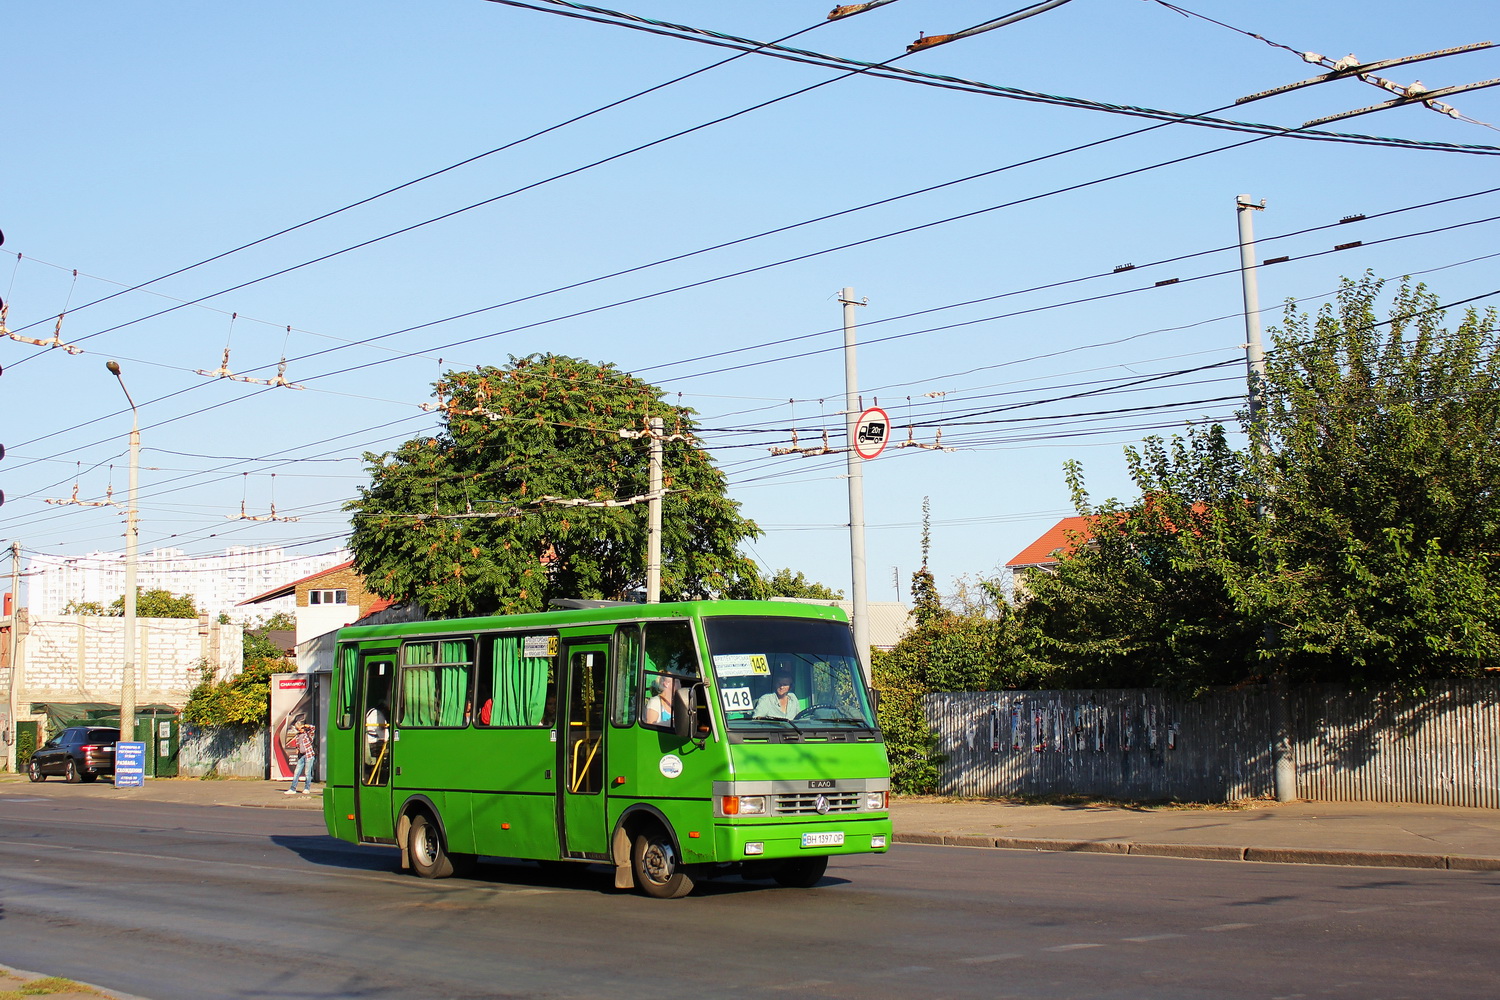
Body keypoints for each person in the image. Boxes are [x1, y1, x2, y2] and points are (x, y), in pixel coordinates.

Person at [283, 718, 317, 795]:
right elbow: (298, 744)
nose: (299, 730)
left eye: (300, 728)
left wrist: (304, 726)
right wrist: (297, 749)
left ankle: (307, 788)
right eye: (298, 729)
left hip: (308, 755)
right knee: (296, 772)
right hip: (301, 756)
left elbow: (313, 728)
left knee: (307, 773)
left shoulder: (308, 733)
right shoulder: (298, 735)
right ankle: (293, 788)